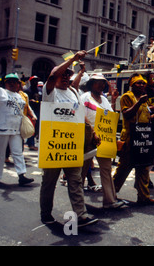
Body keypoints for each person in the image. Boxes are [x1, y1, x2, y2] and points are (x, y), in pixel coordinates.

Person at [40, 50, 98, 227]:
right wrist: (73, 59)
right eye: (62, 74)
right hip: (53, 145)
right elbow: (52, 75)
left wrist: (93, 133)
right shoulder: (49, 92)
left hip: (72, 145)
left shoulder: (73, 92)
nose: (65, 77)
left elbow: (81, 115)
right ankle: (46, 213)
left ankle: (81, 215)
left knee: (75, 179)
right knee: (49, 182)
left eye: (68, 74)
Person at [112, 72, 154, 206]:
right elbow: (127, 114)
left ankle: (143, 196)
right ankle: (111, 193)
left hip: (143, 138)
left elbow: (143, 117)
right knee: (124, 167)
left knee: (143, 167)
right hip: (130, 137)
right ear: (132, 85)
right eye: (138, 83)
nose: (142, 85)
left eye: (143, 83)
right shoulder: (128, 96)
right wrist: (139, 102)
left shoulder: (144, 98)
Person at [80, 73, 124, 209]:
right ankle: (77, 200)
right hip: (87, 138)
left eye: (103, 83)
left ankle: (110, 201)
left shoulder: (104, 99)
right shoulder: (84, 98)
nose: (101, 85)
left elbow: (109, 117)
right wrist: (92, 133)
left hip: (103, 139)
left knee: (106, 169)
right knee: (81, 170)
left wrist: (113, 139)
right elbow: (81, 116)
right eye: (98, 82)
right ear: (91, 83)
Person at [0, 73, 35, 186]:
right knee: (0, 154)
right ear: (5, 83)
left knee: (18, 152)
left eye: (15, 82)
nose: (12, 84)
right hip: (2, 128)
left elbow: (26, 107)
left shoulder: (20, 96)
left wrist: (32, 115)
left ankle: (21, 175)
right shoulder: (1, 92)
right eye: (9, 82)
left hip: (16, 129)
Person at [24, 75, 42, 151]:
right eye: (33, 81)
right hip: (31, 111)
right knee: (32, 127)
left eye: (36, 80)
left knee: (37, 128)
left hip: (38, 110)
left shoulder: (39, 90)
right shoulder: (27, 91)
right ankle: (31, 144)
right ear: (30, 82)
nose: (35, 82)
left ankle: (30, 141)